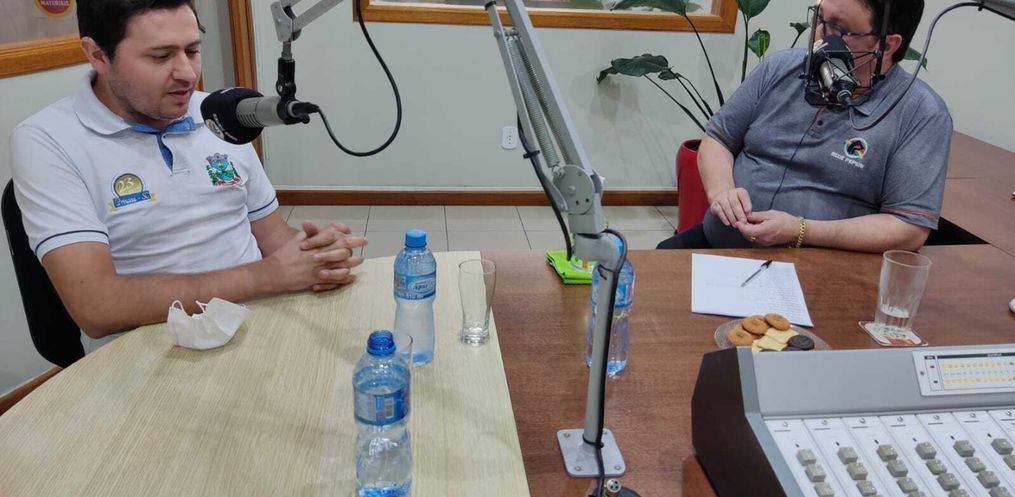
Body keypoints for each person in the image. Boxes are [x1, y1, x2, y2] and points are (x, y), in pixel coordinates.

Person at [10, 0, 367, 352]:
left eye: (192, 50)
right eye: (160, 56)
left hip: (257, 327)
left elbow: (273, 236)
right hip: (145, 353)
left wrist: (316, 254)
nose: (187, 73)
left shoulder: (219, 115)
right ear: (97, 55)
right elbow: (99, 308)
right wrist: (269, 275)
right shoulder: (48, 140)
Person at [658, 0, 952, 252]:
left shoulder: (920, 113)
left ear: (886, 45)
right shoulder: (780, 68)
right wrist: (722, 192)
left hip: (818, 270)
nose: (820, 35)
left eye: (838, 29)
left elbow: (908, 228)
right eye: (820, 18)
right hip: (719, 245)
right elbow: (718, 139)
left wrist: (800, 230)